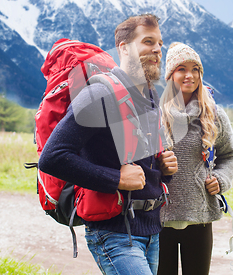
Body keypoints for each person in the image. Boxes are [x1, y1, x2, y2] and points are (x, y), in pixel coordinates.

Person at [39, 14, 178, 275]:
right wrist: (115, 179)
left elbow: (144, 170)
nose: (158, 50)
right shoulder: (99, 94)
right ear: (124, 47)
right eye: (148, 41)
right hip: (114, 233)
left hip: (151, 231)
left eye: (160, 43)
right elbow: (53, 157)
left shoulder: (149, 96)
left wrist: (165, 170)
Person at [157, 42, 233, 275]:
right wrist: (158, 165)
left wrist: (221, 179)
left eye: (195, 69)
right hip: (160, 217)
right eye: (181, 68)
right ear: (170, 74)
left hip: (200, 217)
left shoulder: (213, 114)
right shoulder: (155, 114)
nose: (189, 75)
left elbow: (229, 155)